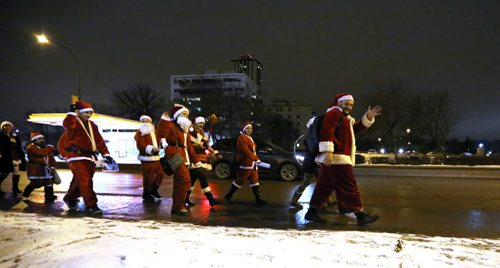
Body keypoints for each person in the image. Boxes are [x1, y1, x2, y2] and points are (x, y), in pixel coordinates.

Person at [304, 93, 382, 225]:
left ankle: (311, 212)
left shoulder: (345, 118)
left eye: (351, 105)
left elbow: (354, 129)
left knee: (323, 187)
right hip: (337, 158)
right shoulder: (334, 113)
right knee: (350, 186)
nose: (349, 107)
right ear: (339, 103)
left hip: (335, 158)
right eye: (346, 104)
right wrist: (328, 151)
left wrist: (368, 117)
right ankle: (360, 215)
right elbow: (327, 131)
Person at [61, 101, 114, 214]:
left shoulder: (92, 125)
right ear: (79, 113)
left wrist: (106, 154)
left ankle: (70, 198)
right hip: (76, 156)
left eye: (90, 112)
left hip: (89, 156)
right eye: (86, 112)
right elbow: (68, 124)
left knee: (80, 180)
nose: (89, 115)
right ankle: (91, 204)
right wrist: (71, 113)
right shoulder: (74, 123)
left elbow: (99, 140)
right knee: (85, 180)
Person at [156, 104, 202, 215]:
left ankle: (177, 206)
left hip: (184, 156)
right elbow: (161, 134)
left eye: (187, 114)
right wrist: (164, 121)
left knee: (182, 182)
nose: (186, 116)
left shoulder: (184, 129)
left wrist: (196, 161)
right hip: (175, 155)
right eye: (183, 114)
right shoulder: (171, 125)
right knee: (184, 180)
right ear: (177, 115)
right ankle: (178, 206)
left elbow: (189, 146)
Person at [289, 114, 337, 209]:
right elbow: (315, 149)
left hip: (313, 162)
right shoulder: (313, 137)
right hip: (312, 163)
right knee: (307, 182)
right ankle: (294, 201)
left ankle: (327, 201)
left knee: (321, 182)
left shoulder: (312, 136)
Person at [224, 121, 267, 205]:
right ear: (243, 129)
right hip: (245, 163)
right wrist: (256, 158)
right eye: (247, 128)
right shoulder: (242, 138)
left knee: (255, 180)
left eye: (251, 128)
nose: (249, 130)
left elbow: (252, 150)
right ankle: (229, 195)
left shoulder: (249, 137)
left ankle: (258, 199)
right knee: (241, 180)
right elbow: (245, 150)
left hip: (252, 164)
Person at [185, 116, 221, 207]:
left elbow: (207, 146)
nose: (201, 125)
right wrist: (201, 145)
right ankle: (211, 199)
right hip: (194, 159)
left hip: (202, 159)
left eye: (203, 124)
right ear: (195, 123)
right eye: (200, 123)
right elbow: (190, 146)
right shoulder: (190, 133)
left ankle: (185, 198)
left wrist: (216, 153)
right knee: (202, 178)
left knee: (192, 181)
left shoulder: (202, 133)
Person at [134, 115, 164, 202]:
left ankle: (154, 190)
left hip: (156, 157)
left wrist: (161, 144)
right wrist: (150, 149)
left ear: (150, 122)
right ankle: (147, 194)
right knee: (148, 176)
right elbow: (140, 143)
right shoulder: (139, 132)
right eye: (143, 121)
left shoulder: (154, 131)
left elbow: (159, 141)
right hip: (146, 157)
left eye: (147, 121)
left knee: (160, 174)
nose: (145, 123)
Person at [22, 132, 58, 203]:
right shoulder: (31, 147)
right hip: (36, 169)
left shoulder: (46, 148)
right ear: (34, 140)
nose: (42, 140)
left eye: (42, 138)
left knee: (49, 182)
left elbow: (51, 158)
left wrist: (53, 166)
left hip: (46, 169)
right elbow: (41, 153)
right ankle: (25, 194)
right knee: (36, 183)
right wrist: (49, 147)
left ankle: (49, 196)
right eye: (39, 139)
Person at [0, 121, 26, 195]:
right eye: (5, 126)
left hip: (15, 156)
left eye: (9, 126)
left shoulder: (15, 136)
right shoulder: (1, 135)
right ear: (2, 127)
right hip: (5, 157)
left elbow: (19, 147)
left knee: (16, 172)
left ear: (12, 127)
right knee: (5, 173)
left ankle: (15, 189)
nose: (7, 127)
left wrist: (22, 156)